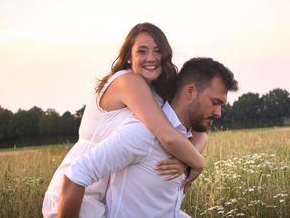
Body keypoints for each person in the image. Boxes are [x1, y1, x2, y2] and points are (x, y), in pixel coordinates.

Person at [42, 23, 207, 218]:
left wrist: (184, 161)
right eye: (142, 51)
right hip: (79, 189)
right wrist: (197, 163)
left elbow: (200, 128)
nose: (151, 58)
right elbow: (167, 136)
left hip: (108, 192)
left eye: (157, 51)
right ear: (129, 56)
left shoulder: (157, 91)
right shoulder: (128, 81)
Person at [58, 57, 238, 218]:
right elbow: (76, 175)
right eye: (215, 103)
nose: (218, 113)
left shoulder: (187, 142)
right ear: (190, 92)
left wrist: (190, 160)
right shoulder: (143, 134)